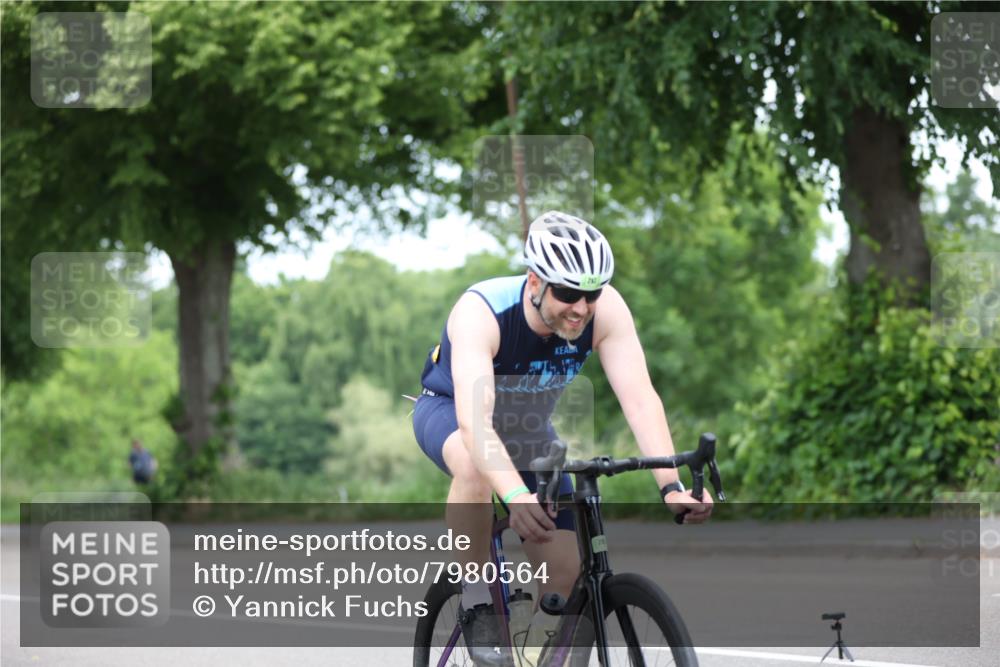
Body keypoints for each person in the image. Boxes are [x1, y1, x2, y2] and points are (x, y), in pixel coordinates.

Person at [412, 210, 714, 665]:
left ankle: (535, 655)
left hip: (530, 433)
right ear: (535, 282)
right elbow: (477, 424)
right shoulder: (482, 312)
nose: (581, 307)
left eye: (590, 294)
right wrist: (515, 494)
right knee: (474, 465)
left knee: (567, 579)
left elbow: (639, 399)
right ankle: (477, 598)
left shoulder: (605, 310)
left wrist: (669, 485)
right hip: (451, 413)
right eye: (568, 292)